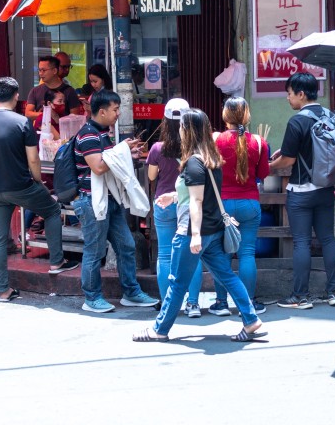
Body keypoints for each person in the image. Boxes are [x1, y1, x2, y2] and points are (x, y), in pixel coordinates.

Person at [134, 109, 266, 343]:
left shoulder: (194, 162)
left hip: (193, 232)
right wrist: (174, 197)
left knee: (177, 283)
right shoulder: (211, 158)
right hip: (213, 231)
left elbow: (197, 200)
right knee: (226, 275)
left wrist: (194, 235)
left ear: (188, 131)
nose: (180, 131)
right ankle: (251, 319)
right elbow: (199, 194)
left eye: (183, 127)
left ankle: (159, 330)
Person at [0, 77, 79, 301]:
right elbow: (34, 159)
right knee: (52, 210)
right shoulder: (21, 122)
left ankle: (3, 291)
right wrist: (38, 182)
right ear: (16, 96)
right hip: (20, 185)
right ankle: (56, 261)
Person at [73, 89, 159, 312]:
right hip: (92, 202)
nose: (118, 113)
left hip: (110, 200)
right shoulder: (88, 134)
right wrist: (122, 150)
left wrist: (127, 154)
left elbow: (110, 161)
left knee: (127, 246)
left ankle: (131, 292)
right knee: (95, 251)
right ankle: (91, 298)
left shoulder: (103, 134)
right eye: (115, 109)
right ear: (102, 111)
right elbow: (99, 167)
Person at [269, 73, 335, 310]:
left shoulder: (297, 121)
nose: (288, 99)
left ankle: (300, 296)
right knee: (328, 239)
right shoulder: (331, 116)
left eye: (289, 93)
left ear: (301, 94)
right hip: (326, 188)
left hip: (301, 191)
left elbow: (288, 161)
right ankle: (333, 292)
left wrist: (268, 167)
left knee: (302, 242)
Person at [210, 97, 270, 316]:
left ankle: (221, 303)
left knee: (221, 254)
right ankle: (250, 302)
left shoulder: (215, 139)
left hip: (222, 205)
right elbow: (263, 174)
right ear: (246, 115)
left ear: (226, 115)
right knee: (247, 253)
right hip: (250, 204)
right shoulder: (258, 141)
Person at [148, 98, 204, 318]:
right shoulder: (196, 148)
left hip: (163, 201)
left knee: (164, 254)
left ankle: (167, 304)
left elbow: (152, 176)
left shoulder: (157, 148)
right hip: (189, 202)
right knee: (193, 252)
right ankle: (193, 304)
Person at [25, 55, 84, 122]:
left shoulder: (69, 91)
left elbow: (75, 117)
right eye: (39, 70)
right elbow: (28, 114)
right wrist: (47, 114)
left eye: (44, 70)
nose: (40, 73)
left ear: (54, 71)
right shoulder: (35, 91)